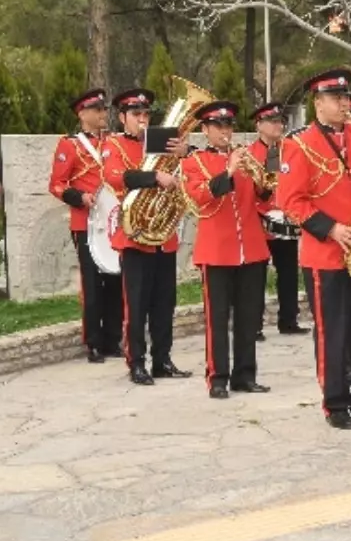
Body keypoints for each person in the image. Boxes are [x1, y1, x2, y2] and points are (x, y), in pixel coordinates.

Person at [276, 68, 351, 429]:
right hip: (327, 253)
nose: (345, 104)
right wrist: (331, 228)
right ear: (318, 103)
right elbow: (290, 201)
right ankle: (336, 403)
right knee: (334, 330)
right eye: (336, 98)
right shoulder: (299, 144)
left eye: (346, 98)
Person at [180, 101, 272, 399]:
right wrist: (230, 171)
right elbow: (200, 196)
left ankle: (245, 375)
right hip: (216, 250)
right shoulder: (193, 162)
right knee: (217, 319)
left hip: (252, 247)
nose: (225, 132)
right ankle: (217, 377)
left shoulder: (247, 157)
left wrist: (263, 181)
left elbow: (265, 194)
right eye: (218, 127)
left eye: (229, 126)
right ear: (205, 130)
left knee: (248, 317)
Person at [101, 88, 193, 385]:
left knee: (165, 302)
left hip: (163, 235)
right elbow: (116, 177)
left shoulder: (160, 141)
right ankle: (136, 362)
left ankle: (162, 360)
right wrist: (155, 177)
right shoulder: (113, 143)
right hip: (135, 236)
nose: (143, 119)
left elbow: (188, 174)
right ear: (122, 117)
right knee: (137, 304)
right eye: (136, 114)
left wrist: (185, 155)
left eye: (146, 114)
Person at [48, 88, 124, 363]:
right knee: (93, 284)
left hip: (114, 222)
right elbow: (56, 184)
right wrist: (80, 197)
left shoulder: (115, 142)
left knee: (116, 280)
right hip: (87, 223)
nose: (104, 114)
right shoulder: (70, 145)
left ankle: (113, 339)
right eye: (97, 110)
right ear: (82, 113)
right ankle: (93, 341)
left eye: (104, 109)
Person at [247, 102, 309, 339]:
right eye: (272, 122)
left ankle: (289, 320)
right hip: (260, 222)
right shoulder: (250, 152)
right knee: (256, 276)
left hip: (287, 218)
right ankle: (254, 325)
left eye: (280, 121)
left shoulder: (292, 149)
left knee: (289, 271)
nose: (278, 125)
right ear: (259, 125)